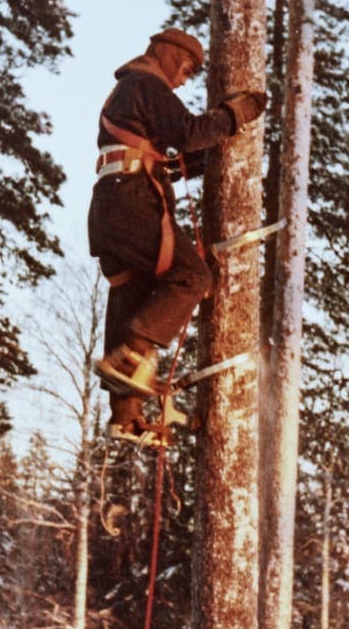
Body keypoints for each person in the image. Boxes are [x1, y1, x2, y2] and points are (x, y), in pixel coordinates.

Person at [87, 27, 267, 444]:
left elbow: (169, 149)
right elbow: (186, 132)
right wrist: (234, 115)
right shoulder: (144, 83)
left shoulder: (129, 93)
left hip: (110, 206)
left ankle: (126, 415)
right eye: (186, 68)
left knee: (133, 290)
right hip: (130, 200)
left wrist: (201, 157)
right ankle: (132, 359)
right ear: (168, 54)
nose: (185, 79)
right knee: (193, 276)